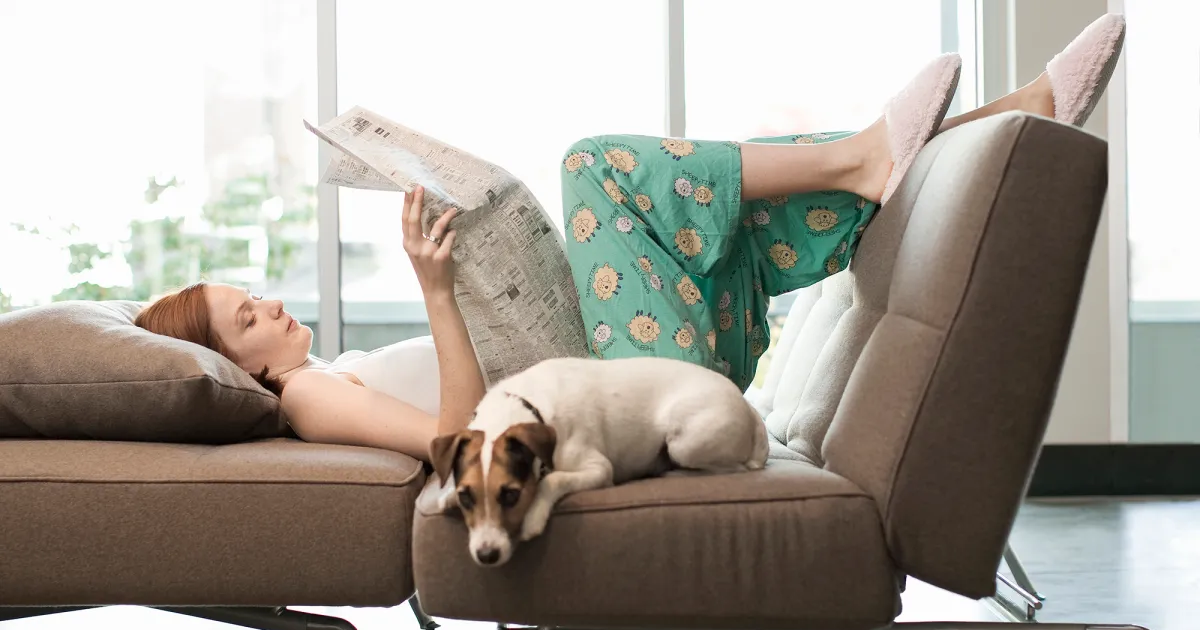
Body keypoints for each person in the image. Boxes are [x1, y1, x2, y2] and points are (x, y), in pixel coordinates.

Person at [133, 14, 1126, 462]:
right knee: (595, 169)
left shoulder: (326, 374)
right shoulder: (307, 398)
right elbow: (450, 442)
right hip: (629, 396)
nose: (266, 303)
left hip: (642, 372)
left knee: (733, 215)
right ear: (232, 363)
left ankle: (997, 119)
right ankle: (878, 154)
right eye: (243, 317)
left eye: (248, 295)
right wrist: (438, 289)